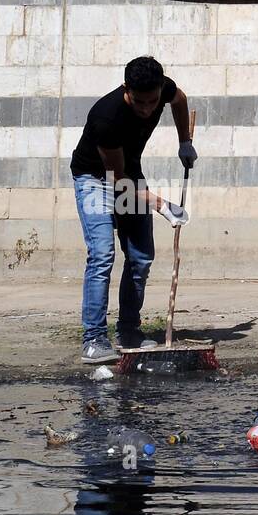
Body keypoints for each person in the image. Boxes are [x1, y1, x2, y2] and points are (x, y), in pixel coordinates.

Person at [69, 56, 194, 364]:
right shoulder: (106, 117)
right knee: (102, 254)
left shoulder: (163, 91)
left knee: (140, 258)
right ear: (126, 89)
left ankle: (129, 332)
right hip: (97, 180)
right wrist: (162, 205)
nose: (147, 109)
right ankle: (94, 340)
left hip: (129, 174)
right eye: (140, 102)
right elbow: (117, 181)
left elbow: (180, 101)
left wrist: (185, 142)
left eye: (152, 102)